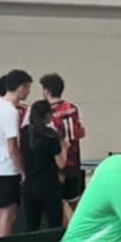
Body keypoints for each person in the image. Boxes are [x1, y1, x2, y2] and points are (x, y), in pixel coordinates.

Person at [0, 70, 32, 239]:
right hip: (6, 169)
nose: (29, 92)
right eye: (28, 88)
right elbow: (12, 147)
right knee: (8, 212)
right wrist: (22, 171)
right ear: (21, 87)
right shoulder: (10, 111)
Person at [34, 74, 87, 207]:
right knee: (74, 201)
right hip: (74, 163)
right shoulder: (73, 108)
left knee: (56, 205)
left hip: (57, 166)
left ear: (47, 91)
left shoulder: (46, 113)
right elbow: (81, 132)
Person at [20, 99, 70, 232]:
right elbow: (61, 163)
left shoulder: (24, 132)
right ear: (47, 115)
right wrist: (65, 147)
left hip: (29, 184)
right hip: (48, 185)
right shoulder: (50, 135)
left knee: (31, 225)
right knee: (54, 224)